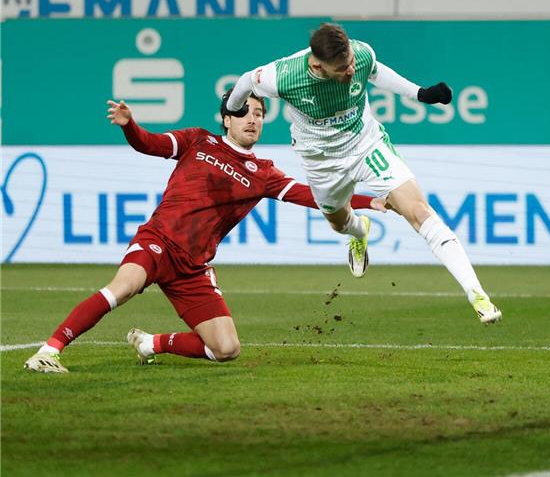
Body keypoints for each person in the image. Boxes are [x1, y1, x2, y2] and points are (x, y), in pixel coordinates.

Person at [24, 92, 382, 374]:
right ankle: (48, 352)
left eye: (259, 114)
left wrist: (369, 201)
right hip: (158, 241)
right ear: (226, 118)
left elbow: (314, 196)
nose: (252, 119)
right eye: (244, 112)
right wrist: (129, 125)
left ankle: (150, 344)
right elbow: (149, 144)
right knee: (123, 288)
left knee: (226, 349)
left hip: (193, 267)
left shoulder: (263, 173)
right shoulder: (197, 140)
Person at [225, 23, 502, 323]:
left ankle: (477, 295)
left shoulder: (360, 54)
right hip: (321, 161)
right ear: (317, 66)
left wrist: (421, 94)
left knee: (420, 212)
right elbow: (246, 80)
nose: (350, 71)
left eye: (351, 62)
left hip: (366, 146)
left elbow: (376, 72)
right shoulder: (284, 76)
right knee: (338, 222)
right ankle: (359, 231)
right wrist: (233, 106)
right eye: (342, 68)